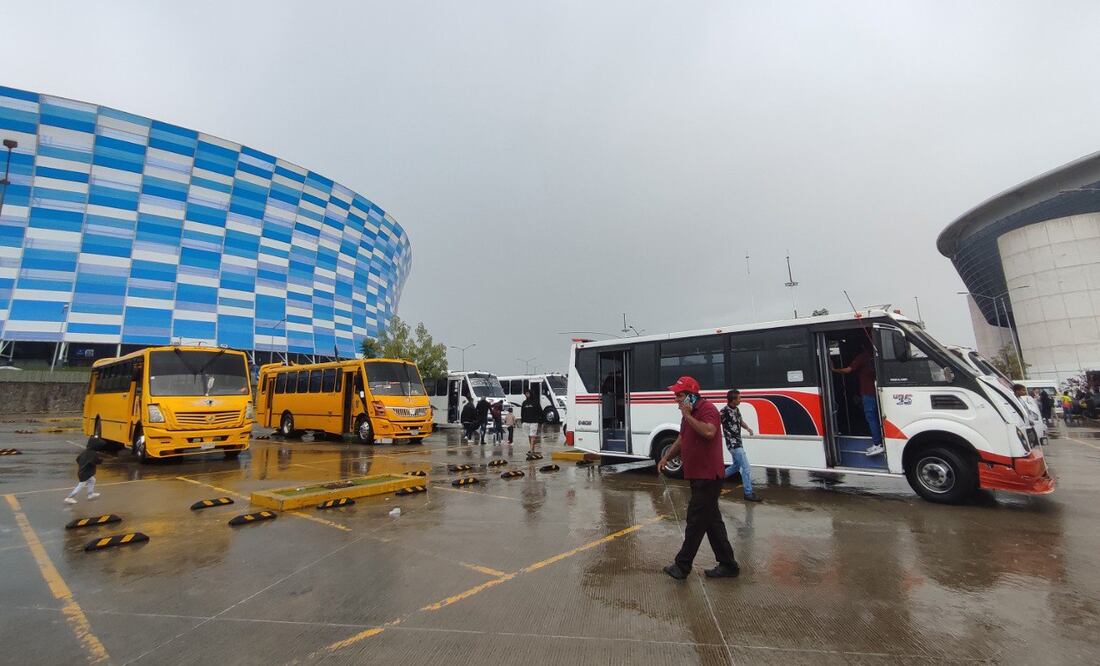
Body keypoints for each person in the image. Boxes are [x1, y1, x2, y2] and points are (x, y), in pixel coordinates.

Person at [658, 376, 740, 580]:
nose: (676, 399)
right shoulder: (689, 414)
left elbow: (709, 432)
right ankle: (728, 564)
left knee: (695, 522)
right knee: (713, 523)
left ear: (691, 396)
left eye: (679, 395)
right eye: (675, 395)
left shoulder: (707, 409)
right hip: (698, 477)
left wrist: (688, 416)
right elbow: (682, 439)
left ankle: (682, 566)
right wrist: (666, 457)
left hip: (708, 477)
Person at [831, 336, 885, 456]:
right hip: (877, 392)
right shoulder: (876, 354)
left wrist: (834, 370)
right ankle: (880, 441)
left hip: (867, 393)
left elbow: (848, 370)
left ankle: (877, 444)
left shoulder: (863, 357)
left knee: (871, 418)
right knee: (878, 418)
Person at [721, 390, 761, 502]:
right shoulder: (724, 412)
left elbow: (740, 421)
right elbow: (715, 423)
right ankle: (748, 493)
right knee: (746, 468)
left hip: (738, 442)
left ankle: (716, 480)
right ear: (733, 400)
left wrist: (748, 428)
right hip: (733, 444)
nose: (740, 399)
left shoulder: (736, 409)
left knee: (736, 466)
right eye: (739, 398)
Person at [65, 437, 105, 504]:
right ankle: (69, 497)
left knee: (92, 480)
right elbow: (96, 461)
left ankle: (90, 494)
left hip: (82, 471)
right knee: (81, 485)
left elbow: (78, 459)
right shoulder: (93, 453)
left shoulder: (85, 452)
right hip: (85, 473)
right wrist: (101, 461)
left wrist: (82, 465)